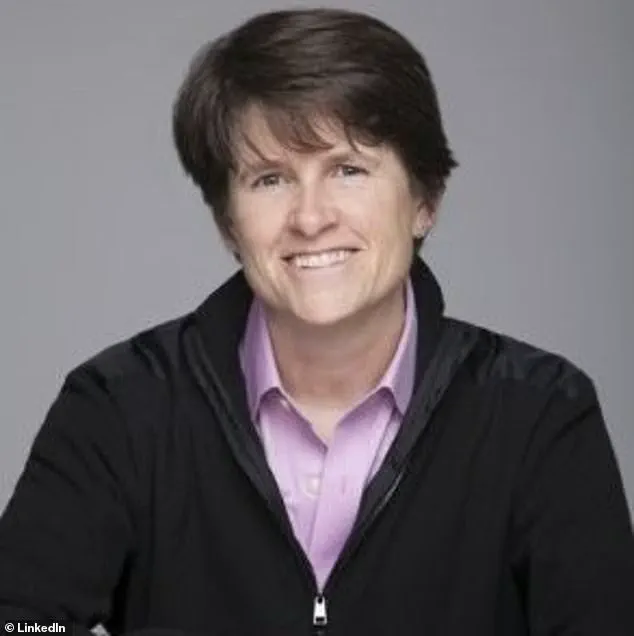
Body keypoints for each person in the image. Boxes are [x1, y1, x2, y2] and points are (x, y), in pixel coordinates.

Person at [1, 7, 633, 636]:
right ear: (228, 224)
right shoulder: (118, 406)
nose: (310, 218)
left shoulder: (540, 415)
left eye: (348, 170)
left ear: (425, 200)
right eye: (269, 179)